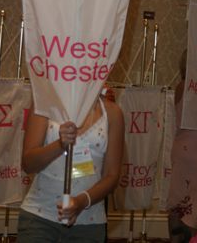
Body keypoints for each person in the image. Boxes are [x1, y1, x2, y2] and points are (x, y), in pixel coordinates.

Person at [17, 92, 124, 243]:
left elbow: (112, 176)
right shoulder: (44, 102)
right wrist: (59, 145)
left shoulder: (112, 113)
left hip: (89, 223)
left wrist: (81, 202)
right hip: (40, 218)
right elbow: (28, 164)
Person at [166, 50, 197, 242]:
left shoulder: (182, 86)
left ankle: (177, 238)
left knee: (181, 199)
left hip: (188, 149)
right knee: (195, 202)